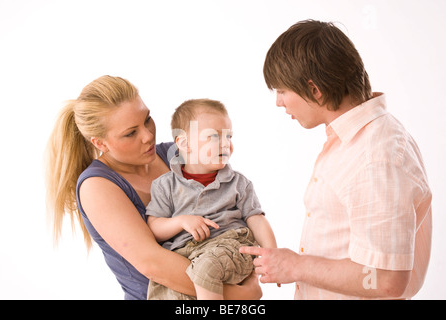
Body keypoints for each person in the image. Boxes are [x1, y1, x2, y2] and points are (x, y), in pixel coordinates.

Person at [240, 20, 432, 300]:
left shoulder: (376, 155)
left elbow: (385, 279)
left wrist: (294, 266)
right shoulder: (354, 141)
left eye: (282, 91)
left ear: (314, 89)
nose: (279, 102)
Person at [45, 75, 262, 300]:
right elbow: (152, 263)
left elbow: (235, 209)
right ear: (100, 143)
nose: (148, 136)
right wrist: (237, 295)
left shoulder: (176, 155)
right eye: (131, 133)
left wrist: (255, 272)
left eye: (147, 119)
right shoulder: (96, 186)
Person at [146, 99, 277, 300]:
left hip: (230, 245)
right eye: (214, 137)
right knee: (162, 291)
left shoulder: (238, 183)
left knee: (206, 269)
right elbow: (155, 228)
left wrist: (272, 255)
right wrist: (180, 221)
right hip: (186, 254)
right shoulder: (165, 185)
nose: (226, 144)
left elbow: (256, 219)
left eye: (229, 136)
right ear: (184, 143)